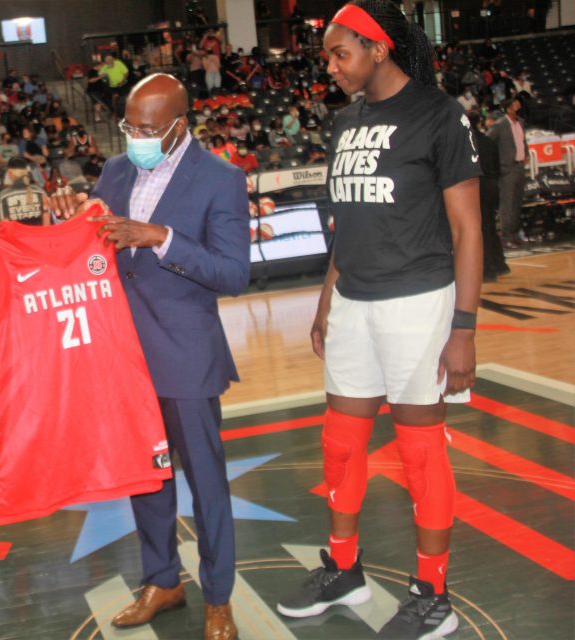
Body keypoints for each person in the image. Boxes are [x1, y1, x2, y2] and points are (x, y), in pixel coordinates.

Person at [273, 3, 482, 639]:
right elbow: (349, 224)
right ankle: (343, 567)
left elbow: (468, 228)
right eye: (329, 57)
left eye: (341, 54)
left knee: (419, 449)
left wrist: (465, 328)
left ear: (379, 48)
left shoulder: (439, 115)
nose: (331, 67)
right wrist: (325, 299)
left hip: (417, 301)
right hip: (355, 301)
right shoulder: (345, 122)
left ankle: (432, 592)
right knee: (341, 439)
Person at [56, 73, 249, 640]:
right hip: (125, 355)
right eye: (128, 125)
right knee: (146, 478)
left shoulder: (221, 179)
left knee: (206, 483)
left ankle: (218, 597)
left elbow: (234, 273)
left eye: (144, 128)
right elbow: (97, 246)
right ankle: (163, 580)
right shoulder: (116, 171)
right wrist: (71, 218)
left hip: (187, 355)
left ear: (177, 125)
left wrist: (161, 237)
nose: (132, 136)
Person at [470, 113, 509, 281]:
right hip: (492, 185)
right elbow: (497, 167)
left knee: (481, 228)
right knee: (490, 226)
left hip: (478, 186)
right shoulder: (489, 142)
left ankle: (488, 270)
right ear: (479, 122)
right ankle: (500, 264)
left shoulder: (468, 143)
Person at [486, 98, 528, 247]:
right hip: (507, 168)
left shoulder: (521, 122)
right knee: (507, 204)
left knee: (517, 202)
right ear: (508, 109)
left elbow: (522, 141)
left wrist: (526, 154)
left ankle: (515, 234)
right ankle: (505, 236)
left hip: (519, 166)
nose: (518, 106)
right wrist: (497, 162)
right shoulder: (500, 124)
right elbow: (487, 141)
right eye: (515, 104)